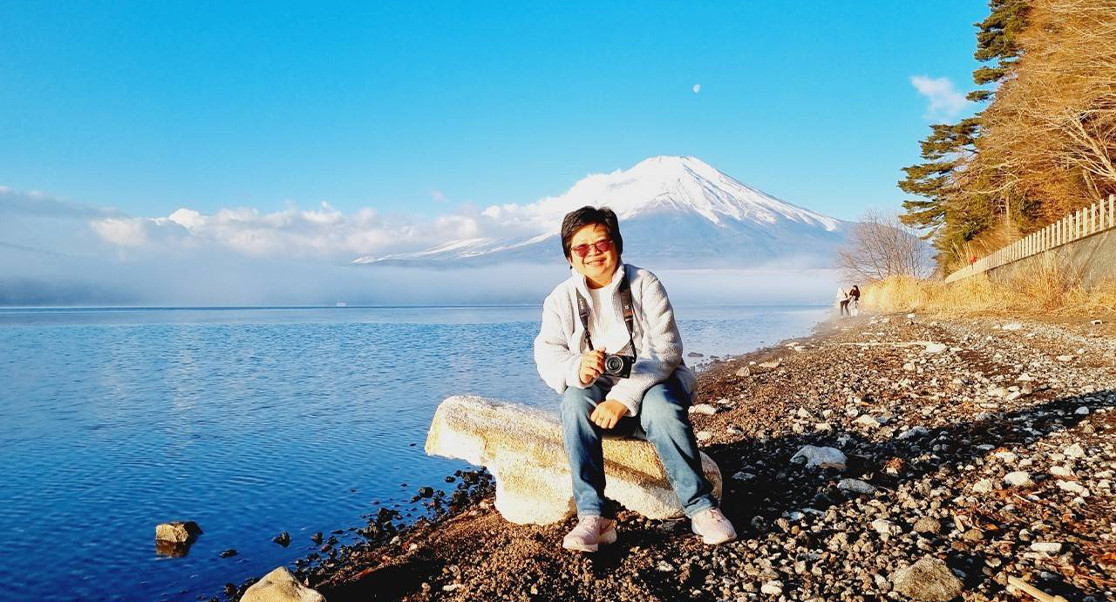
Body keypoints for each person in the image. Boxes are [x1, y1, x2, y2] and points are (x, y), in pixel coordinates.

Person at [533, 205, 737, 553]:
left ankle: (701, 508)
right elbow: (547, 351)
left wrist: (621, 399)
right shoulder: (559, 299)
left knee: (660, 408)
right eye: (581, 247)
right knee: (574, 401)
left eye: (602, 242)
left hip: (654, 382)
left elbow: (666, 349)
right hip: (600, 396)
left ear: (617, 244)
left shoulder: (645, 283)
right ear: (569, 256)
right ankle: (594, 516)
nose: (593, 252)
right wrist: (576, 367)